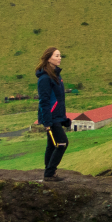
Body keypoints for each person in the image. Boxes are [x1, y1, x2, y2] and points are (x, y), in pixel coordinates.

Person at [35, 47, 71, 181]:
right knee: (62, 143)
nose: (60, 58)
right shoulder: (44, 78)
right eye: (57, 56)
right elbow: (44, 101)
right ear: (49, 58)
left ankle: (49, 173)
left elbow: (58, 99)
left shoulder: (56, 75)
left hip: (57, 116)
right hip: (51, 117)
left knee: (52, 145)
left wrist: (63, 117)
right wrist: (47, 121)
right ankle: (50, 173)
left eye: (60, 55)